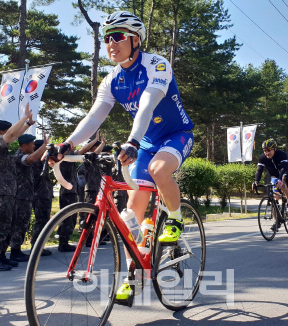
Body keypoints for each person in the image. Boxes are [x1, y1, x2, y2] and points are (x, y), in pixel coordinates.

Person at [47, 11, 194, 302]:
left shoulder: (157, 65)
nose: (110, 43)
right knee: (131, 217)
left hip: (176, 134)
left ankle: (175, 218)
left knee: (158, 169)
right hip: (146, 140)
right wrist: (67, 145)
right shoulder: (112, 80)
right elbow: (93, 119)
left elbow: (147, 106)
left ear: (135, 39)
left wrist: (132, 142)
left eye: (117, 37)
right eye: (106, 38)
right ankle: (136, 273)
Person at [0, 105, 35, 272]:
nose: (11, 138)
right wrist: (24, 119)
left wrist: (27, 125)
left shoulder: (2, 150)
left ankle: (2, 256)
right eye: (6, 133)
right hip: (0, 194)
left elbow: (14, 134)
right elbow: (12, 135)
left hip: (9, 193)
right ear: (0, 133)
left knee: (8, 227)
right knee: (0, 226)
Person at [10, 132, 48, 262]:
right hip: (20, 196)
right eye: (31, 144)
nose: (33, 146)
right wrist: (44, 146)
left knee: (24, 223)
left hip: (26, 196)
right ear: (24, 145)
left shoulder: (23, 155)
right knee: (19, 224)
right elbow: (31, 159)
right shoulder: (19, 156)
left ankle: (17, 250)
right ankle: (15, 252)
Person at [252, 139, 288, 223]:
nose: (267, 153)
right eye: (265, 150)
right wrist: (256, 181)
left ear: (274, 149)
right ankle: (276, 221)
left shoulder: (281, 154)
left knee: (284, 183)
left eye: (268, 150)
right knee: (274, 198)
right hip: (274, 176)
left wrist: (280, 180)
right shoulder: (262, 157)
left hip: (286, 172)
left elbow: (283, 168)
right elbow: (259, 170)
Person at [30, 139, 53, 256]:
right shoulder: (38, 161)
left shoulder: (39, 160)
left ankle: (37, 246)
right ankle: (37, 247)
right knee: (41, 221)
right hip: (40, 195)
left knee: (43, 221)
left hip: (42, 194)